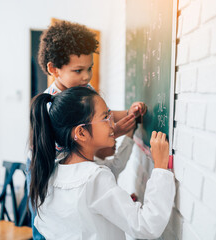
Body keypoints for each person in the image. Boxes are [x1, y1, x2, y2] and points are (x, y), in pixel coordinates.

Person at [27, 20, 146, 239]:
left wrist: (129, 113)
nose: (86, 76)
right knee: (46, 223)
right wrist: (114, 131)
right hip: (47, 162)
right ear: (54, 69)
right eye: (78, 70)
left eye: (89, 68)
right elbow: (69, 142)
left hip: (69, 160)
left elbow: (106, 113)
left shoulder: (82, 89)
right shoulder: (53, 104)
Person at [29, 87, 175, 240]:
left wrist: (130, 135)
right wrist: (160, 168)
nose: (113, 124)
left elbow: (114, 167)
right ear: (81, 133)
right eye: (106, 117)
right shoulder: (94, 177)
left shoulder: (51, 171)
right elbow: (146, 226)